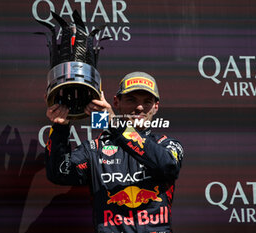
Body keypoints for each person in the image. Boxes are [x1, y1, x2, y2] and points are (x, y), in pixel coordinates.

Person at [45, 71, 184, 233]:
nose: (139, 107)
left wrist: (115, 124)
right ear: (116, 102)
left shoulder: (167, 145)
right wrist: (60, 128)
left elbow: (168, 166)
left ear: (156, 106)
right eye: (131, 100)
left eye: (147, 102)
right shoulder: (95, 149)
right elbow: (60, 173)